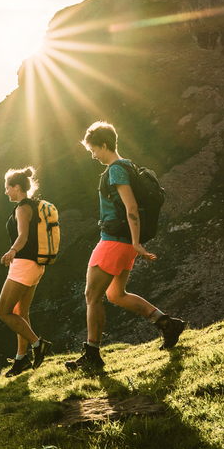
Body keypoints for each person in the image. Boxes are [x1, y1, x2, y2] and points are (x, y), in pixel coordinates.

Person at [66, 122, 184, 371]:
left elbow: (130, 207)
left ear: (104, 145)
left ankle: (92, 356)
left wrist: (135, 242)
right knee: (115, 295)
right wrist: (134, 243)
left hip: (115, 241)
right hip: (125, 242)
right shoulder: (129, 165)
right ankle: (166, 323)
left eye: (94, 150)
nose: (93, 155)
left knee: (92, 296)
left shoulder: (116, 170)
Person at [0, 166, 52, 377]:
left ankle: (38, 345)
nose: (5, 192)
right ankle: (21, 360)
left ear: (17, 187)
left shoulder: (22, 208)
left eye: (7, 188)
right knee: (21, 313)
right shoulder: (35, 205)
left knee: (3, 312)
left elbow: (23, 236)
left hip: (24, 265)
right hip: (36, 266)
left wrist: (12, 251)